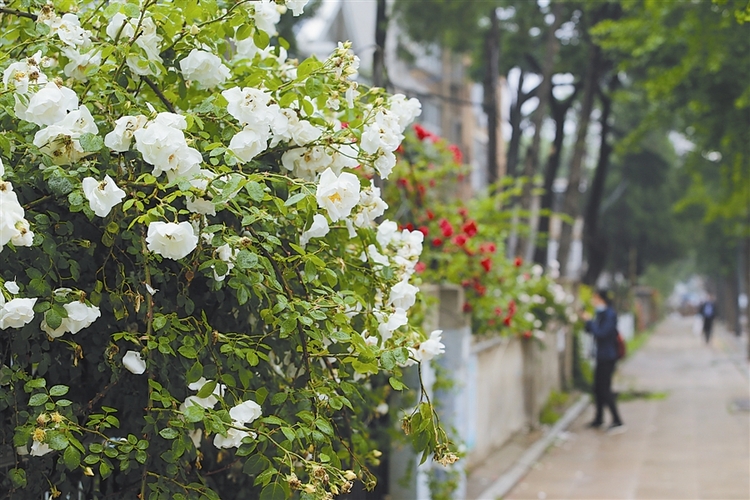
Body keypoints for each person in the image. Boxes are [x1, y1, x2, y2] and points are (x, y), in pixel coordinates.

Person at [584, 289, 625, 434]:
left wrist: (589, 321)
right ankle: (599, 418)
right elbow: (591, 332)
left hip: (608, 357)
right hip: (601, 356)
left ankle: (617, 420)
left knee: (605, 389)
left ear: (601, 299)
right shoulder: (601, 314)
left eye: (594, 298)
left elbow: (601, 333)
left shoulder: (609, 315)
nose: (593, 301)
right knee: (597, 389)